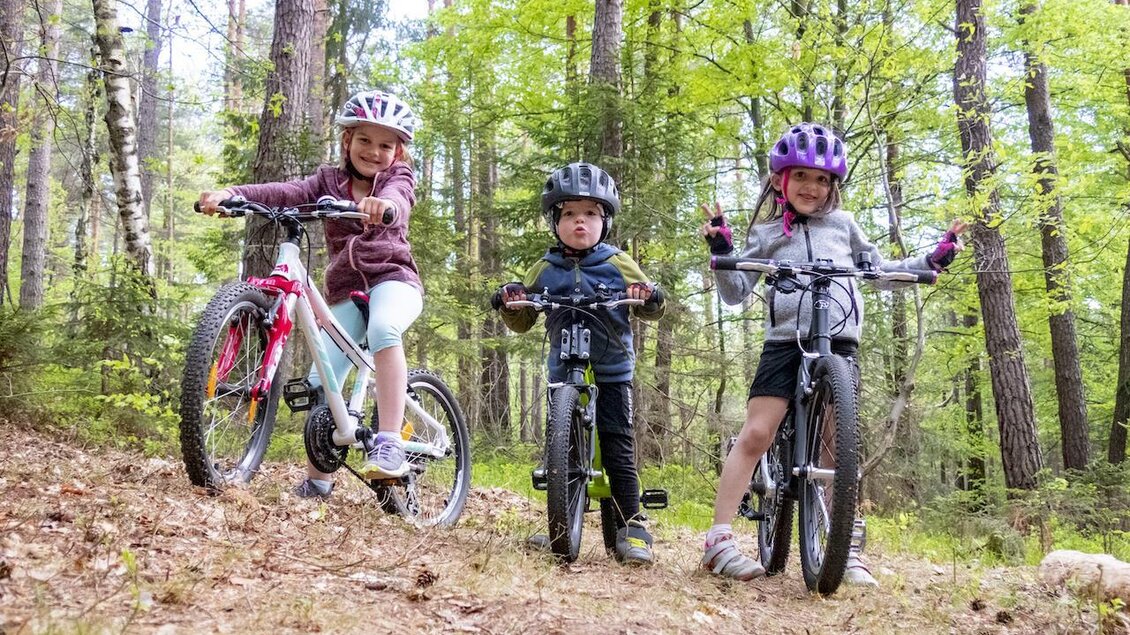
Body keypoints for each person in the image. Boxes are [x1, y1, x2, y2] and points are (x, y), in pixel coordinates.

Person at [699, 123, 967, 585]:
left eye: (822, 179)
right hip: (785, 341)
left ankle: (841, 545)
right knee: (758, 432)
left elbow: (879, 271)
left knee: (834, 445)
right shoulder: (767, 232)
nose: (812, 187)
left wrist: (932, 260)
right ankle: (719, 541)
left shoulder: (844, 226)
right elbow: (735, 291)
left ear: (833, 186)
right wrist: (723, 248)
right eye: (801, 176)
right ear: (779, 180)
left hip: (840, 341)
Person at [197, 90, 423, 497]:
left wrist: (383, 206)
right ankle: (319, 483)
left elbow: (399, 200)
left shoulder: (397, 179)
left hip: (394, 281)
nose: (373, 152)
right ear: (347, 141)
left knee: (384, 329)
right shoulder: (327, 182)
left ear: (398, 151)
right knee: (323, 381)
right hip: (348, 292)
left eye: (385, 145)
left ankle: (389, 442)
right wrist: (232, 193)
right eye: (364, 140)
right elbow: (287, 192)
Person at [493, 162, 666, 565]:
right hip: (563, 370)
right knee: (563, 445)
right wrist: (510, 301)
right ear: (555, 222)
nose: (579, 221)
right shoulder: (545, 267)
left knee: (618, 444)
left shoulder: (618, 262)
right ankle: (560, 521)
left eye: (590, 213)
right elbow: (522, 318)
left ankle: (632, 525)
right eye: (569, 213)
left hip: (612, 369)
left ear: (605, 221)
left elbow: (650, 306)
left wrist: (649, 296)